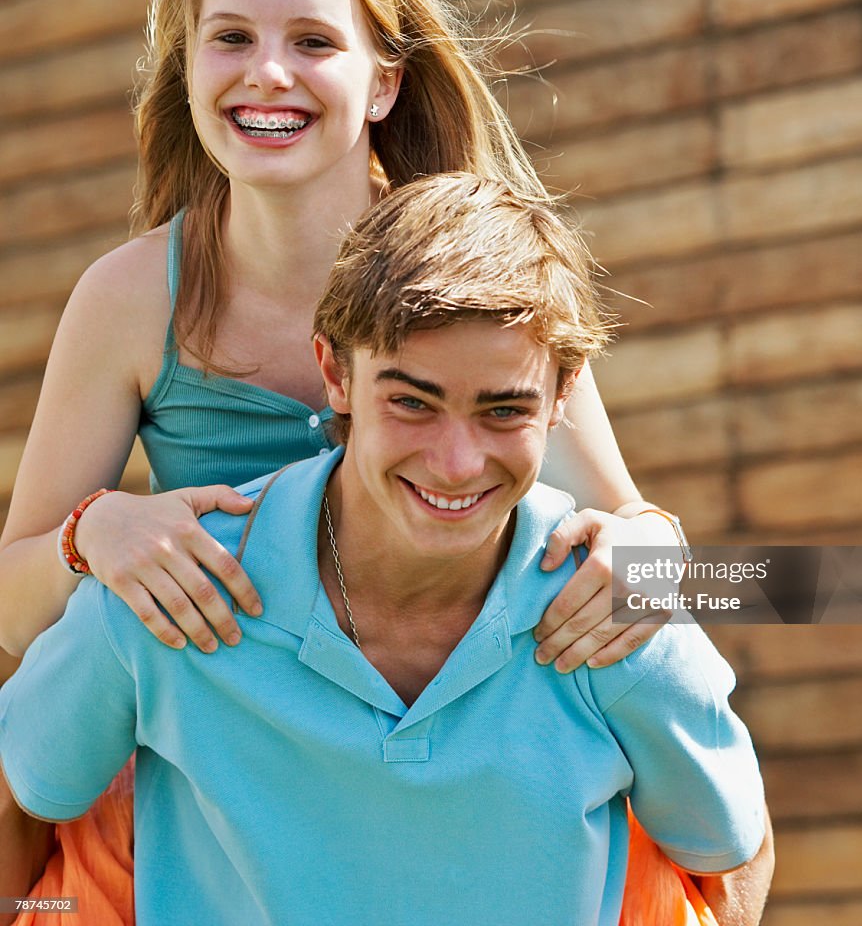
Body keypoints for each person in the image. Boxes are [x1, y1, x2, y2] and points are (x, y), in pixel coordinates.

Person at [0, 0, 698, 919]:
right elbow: (12, 608)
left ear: (384, 80)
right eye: (229, 37)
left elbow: (663, 550)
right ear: (187, 66)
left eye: (313, 41)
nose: (266, 73)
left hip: (453, 776)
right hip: (230, 782)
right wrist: (91, 532)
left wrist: (653, 565)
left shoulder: (477, 280)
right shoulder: (127, 297)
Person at [0, 174, 772, 926]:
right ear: (335, 372)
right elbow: (18, 799)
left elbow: (733, 854)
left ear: (562, 396)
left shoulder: (615, 615)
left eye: (503, 410)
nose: (456, 462)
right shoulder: (169, 595)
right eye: (412, 401)